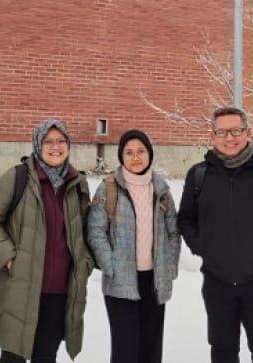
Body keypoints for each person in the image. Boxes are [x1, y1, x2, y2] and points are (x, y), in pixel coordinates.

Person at [177, 106, 253, 363]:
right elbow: (186, 218)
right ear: (212, 137)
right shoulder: (199, 175)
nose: (229, 137)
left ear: (247, 133)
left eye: (236, 130)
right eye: (222, 132)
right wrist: (201, 245)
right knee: (222, 351)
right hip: (217, 281)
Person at [0, 119, 93, 362]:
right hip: (19, 286)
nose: (55, 147)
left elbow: (85, 230)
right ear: (37, 145)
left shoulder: (77, 183)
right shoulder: (17, 177)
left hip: (59, 291)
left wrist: (85, 262)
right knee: (13, 355)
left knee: (46, 355)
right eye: (48, 141)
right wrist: (7, 257)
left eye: (61, 141)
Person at [87, 129, 181, 363]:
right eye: (129, 152)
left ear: (149, 154)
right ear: (121, 157)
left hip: (154, 281)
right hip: (121, 281)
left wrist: (168, 267)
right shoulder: (108, 188)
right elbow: (96, 231)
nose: (135, 157)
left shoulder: (161, 189)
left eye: (141, 151)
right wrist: (112, 266)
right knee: (125, 350)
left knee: (151, 348)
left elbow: (173, 232)